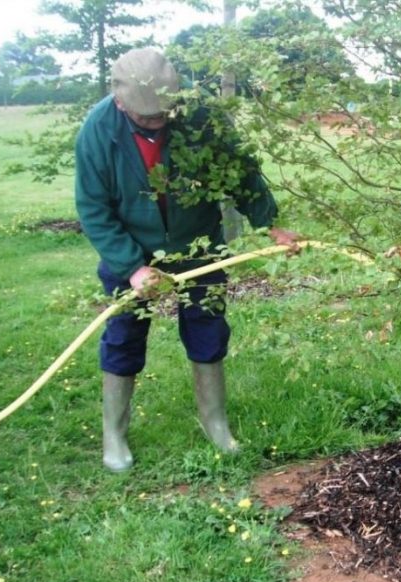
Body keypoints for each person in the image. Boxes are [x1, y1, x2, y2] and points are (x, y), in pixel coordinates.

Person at [75, 47, 297, 472]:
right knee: (123, 335)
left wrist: (270, 222)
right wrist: (132, 266)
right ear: (120, 102)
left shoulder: (201, 114)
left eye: (165, 112)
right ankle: (114, 436)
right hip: (132, 250)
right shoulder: (98, 130)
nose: (159, 121)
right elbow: (94, 208)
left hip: (199, 244)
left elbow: (241, 171)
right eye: (147, 117)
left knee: (207, 327)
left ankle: (215, 423)